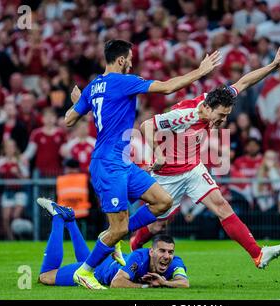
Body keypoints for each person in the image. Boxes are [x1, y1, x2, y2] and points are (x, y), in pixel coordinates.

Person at [61, 39, 221, 289]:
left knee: (163, 201)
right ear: (122, 60)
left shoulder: (93, 87)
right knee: (120, 227)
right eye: (131, 58)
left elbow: (69, 120)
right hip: (108, 164)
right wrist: (201, 71)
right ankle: (85, 271)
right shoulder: (125, 81)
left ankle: (114, 235)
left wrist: (80, 101)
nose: (133, 63)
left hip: (123, 163)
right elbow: (168, 88)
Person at [131, 47, 280, 269]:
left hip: (193, 169)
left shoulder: (218, 99)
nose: (223, 121)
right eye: (220, 116)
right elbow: (146, 125)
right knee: (157, 224)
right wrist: (158, 152)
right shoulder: (184, 115)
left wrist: (274, 64)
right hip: (168, 174)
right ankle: (131, 245)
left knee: (221, 206)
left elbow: (244, 82)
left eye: (226, 116)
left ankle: (258, 254)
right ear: (207, 109)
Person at [37, 202, 189, 289]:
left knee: (85, 259)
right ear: (151, 251)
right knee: (45, 277)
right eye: (162, 251)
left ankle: (69, 219)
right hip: (100, 272)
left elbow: (184, 283)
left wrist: (165, 283)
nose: (166, 256)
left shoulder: (175, 262)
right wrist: (147, 286)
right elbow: (116, 283)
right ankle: (58, 217)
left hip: (106, 260)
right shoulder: (139, 257)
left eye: (170, 252)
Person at [0, 139, 29, 240]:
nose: (10, 149)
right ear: (4, 149)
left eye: (12, 146)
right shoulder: (1, 160)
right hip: (7, 191)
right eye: (8, 147)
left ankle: (19, 237)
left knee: (15, 217)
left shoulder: (21, 159)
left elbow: (27, 178)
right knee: (5, 218)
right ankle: (11, 239)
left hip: (20, 191)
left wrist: (17, 173)